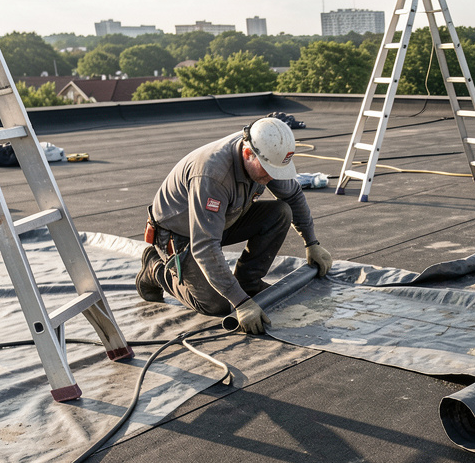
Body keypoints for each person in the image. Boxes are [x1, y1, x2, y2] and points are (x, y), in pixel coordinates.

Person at [135, 117, 333, 334]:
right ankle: (155, 268)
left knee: (280, 212)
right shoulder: (212, 175)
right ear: (248, 154)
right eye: (268, 171)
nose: (272, 178)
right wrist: (240, 303)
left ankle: (248, 282)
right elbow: (205, 246)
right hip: (179, 235)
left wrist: (311, 242)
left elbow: (293, 195)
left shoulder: (266, 154)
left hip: (221, 220)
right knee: (217, 304)